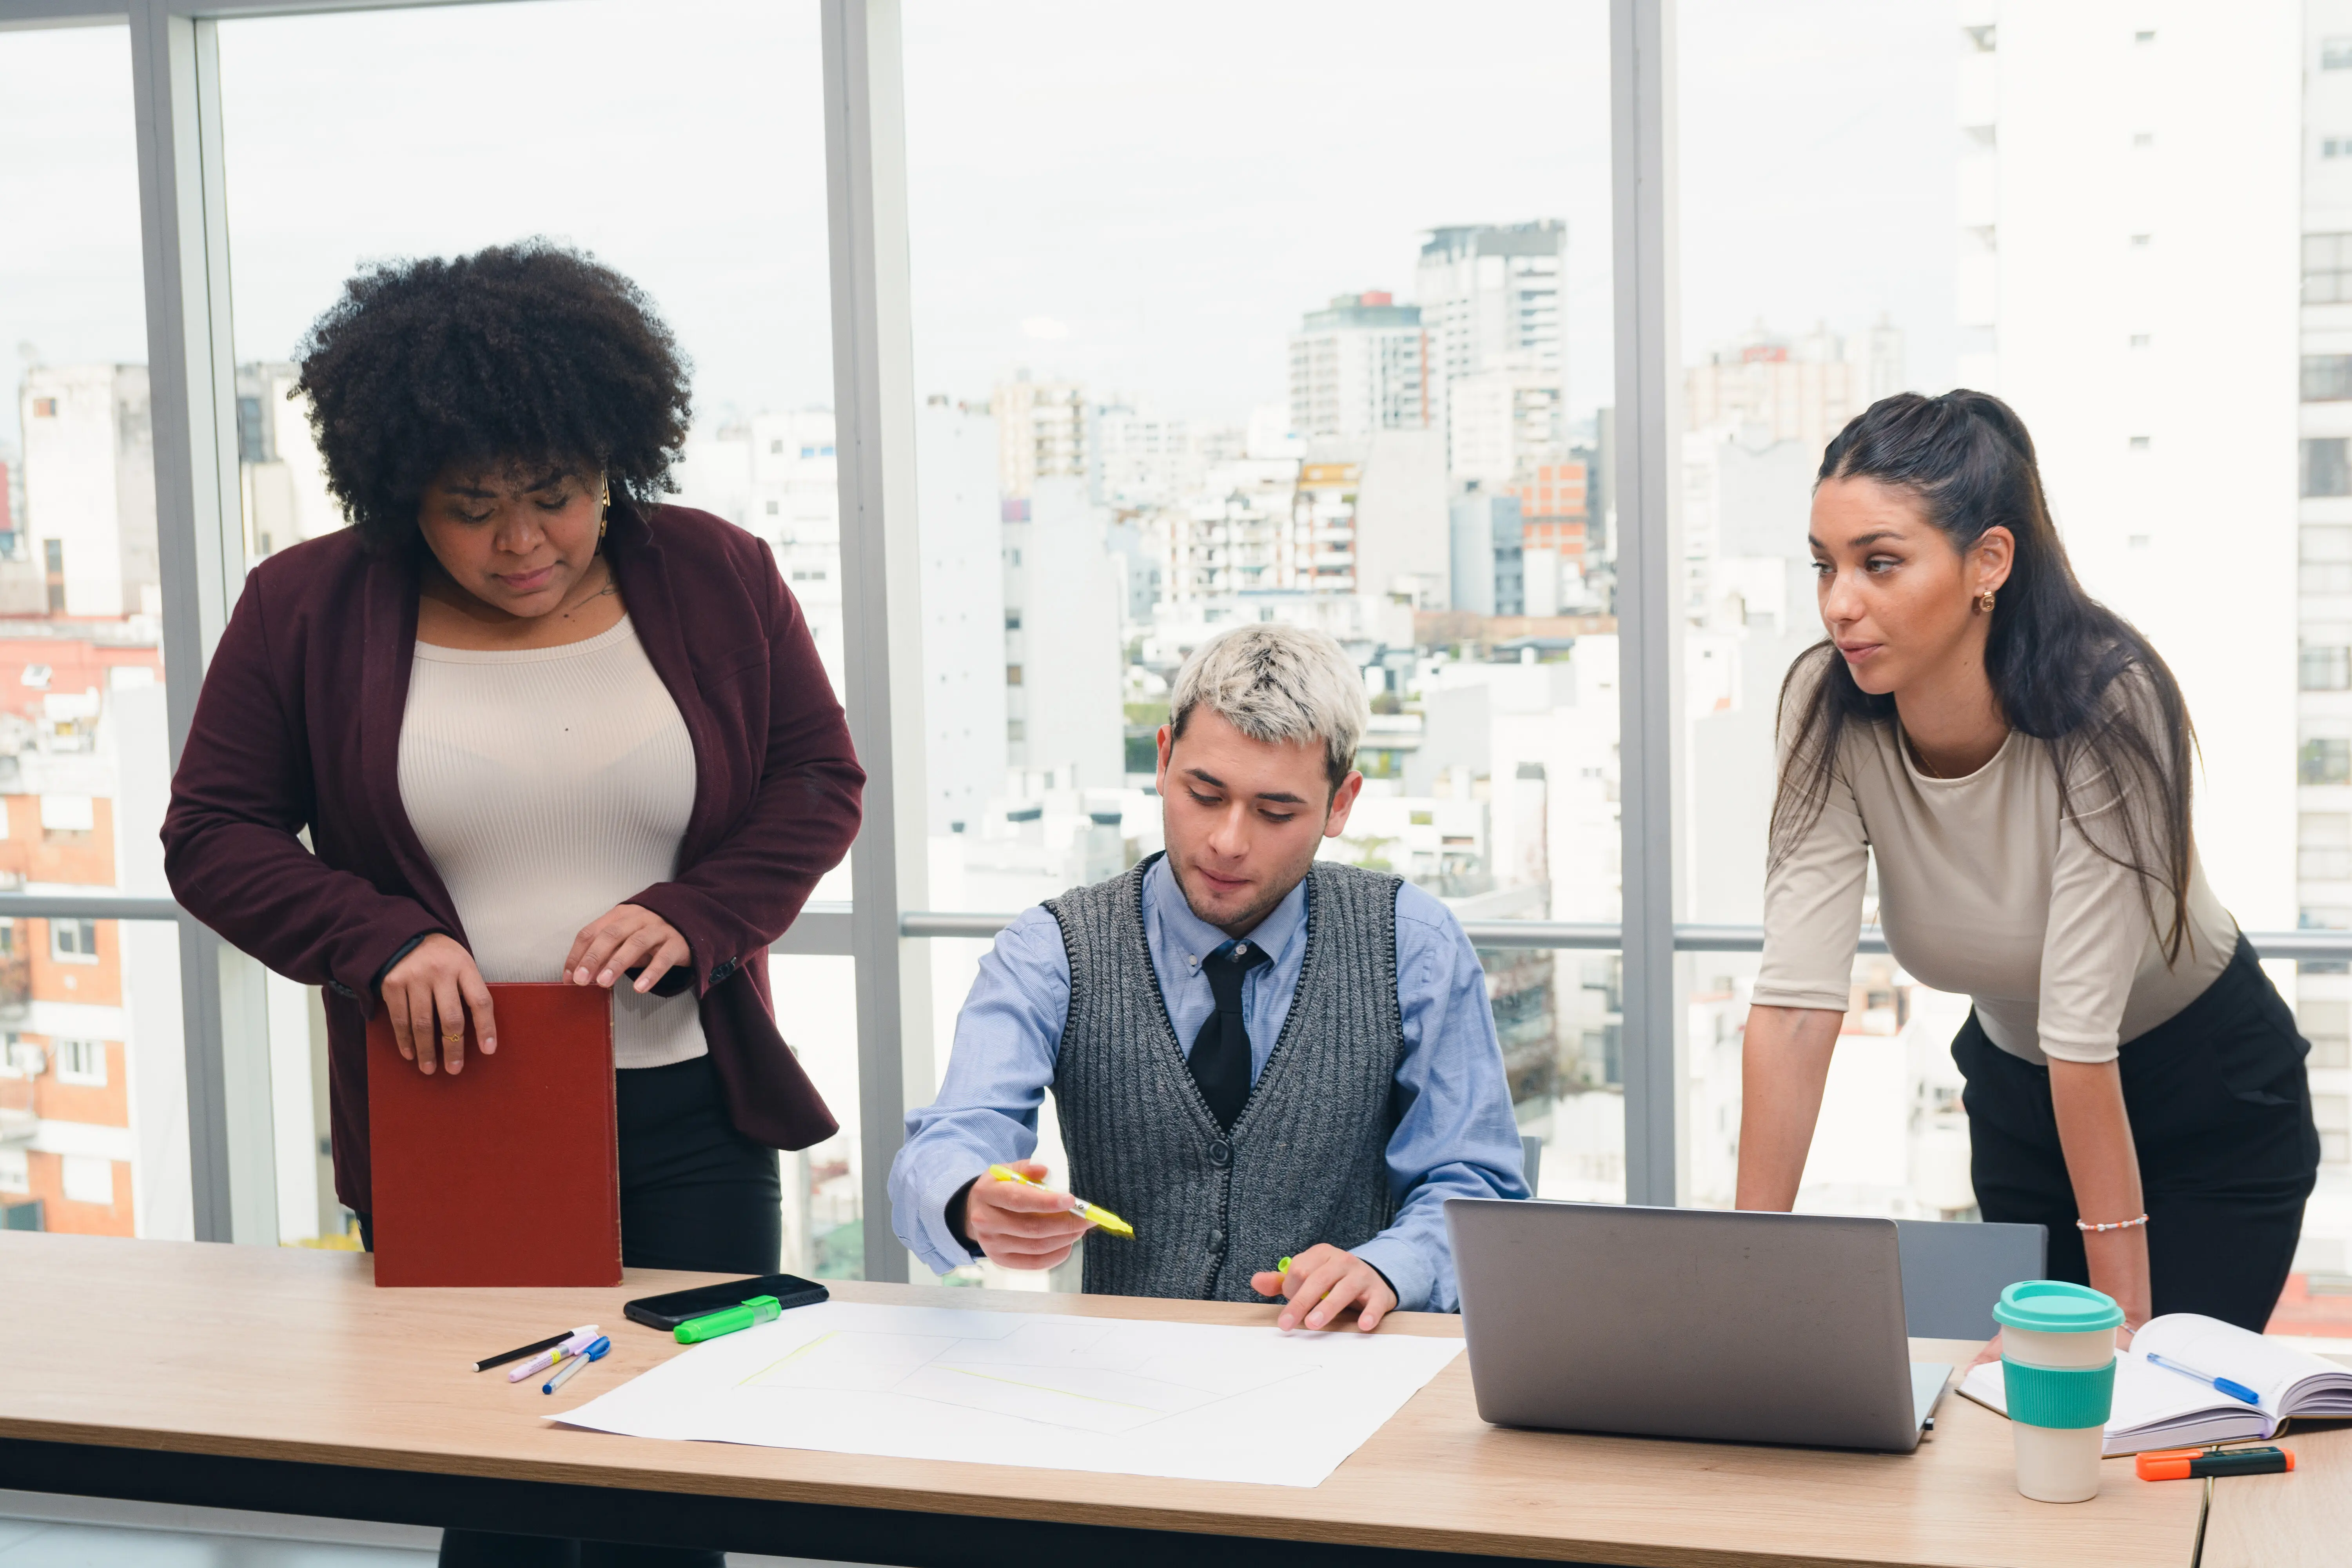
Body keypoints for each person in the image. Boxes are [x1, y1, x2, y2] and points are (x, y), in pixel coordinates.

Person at [161, 241, 862, 1568]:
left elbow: (817, 781)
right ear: (399, 496)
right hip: (460, 1119)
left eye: (556, 493)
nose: (522, 541)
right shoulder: (307, 608)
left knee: (685, 1486)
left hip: (696, 1117)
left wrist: (704, 911)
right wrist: (382, 939)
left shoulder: (717, 574)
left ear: (618, 458)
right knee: (504, 1491)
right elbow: (214, 835)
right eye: (470, 505)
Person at [1736, 390, 2320, 1351]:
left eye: (1880, 562)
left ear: (1989, 562)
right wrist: (1744, 1278)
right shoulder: (1827, 702)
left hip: (2207, 1093)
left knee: (2151, 1402)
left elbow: (2082, 1032)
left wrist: (2127, 1322)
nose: (1841, 602)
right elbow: (1798, 1006)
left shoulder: (2109, 698)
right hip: (2022, 1097)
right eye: (1826, 565)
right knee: (2033, 1423)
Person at [888, 624, 1527, 1329]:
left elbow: (1477, 1184)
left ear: (1340, 804)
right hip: (1116, 1376)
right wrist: (969, 1197)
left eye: (1276, 811)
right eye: (1204, 794)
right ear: (1163, 761)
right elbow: (953, 1134)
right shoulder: (1051, 948)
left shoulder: (1416, 944)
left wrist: (1388, 1264)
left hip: (1345, 1369)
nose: (1228, 841)